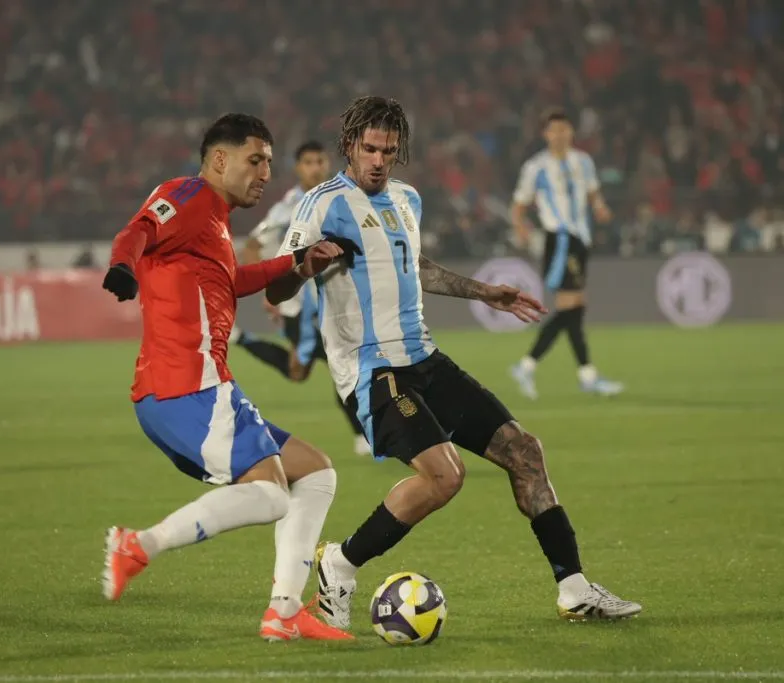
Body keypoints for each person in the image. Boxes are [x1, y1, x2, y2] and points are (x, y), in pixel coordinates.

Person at [266, 96, 642, 625]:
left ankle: (575, 589)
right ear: (350, 146)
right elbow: (277, 288)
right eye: (368, 149)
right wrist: (304, 266)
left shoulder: (406, 200)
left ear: (399, 153)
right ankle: (342, 563)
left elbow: (414, 266)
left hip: (424, 358)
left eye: (388, 151)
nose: (377, 160)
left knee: (525, 452)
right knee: (445, 476)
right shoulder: (322, 204)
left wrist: (484, 292)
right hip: (375, 370)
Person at [100, 113, 359, 642]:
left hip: (203, 387)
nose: (265, 172)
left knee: (315, 474)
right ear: (220, 159)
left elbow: (232, 280)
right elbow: (139, 229)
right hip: (183, 386)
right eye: (255, 159)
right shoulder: (190, 195)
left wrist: (297, 263)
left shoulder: (214, 221)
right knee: (271, 496)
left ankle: (284, 611)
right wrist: (122, 265)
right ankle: (139, 546)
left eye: (268, 161)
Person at [235, 140, 370, 456]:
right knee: (343, 365)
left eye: (320, 161)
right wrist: (269, 287)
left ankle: (240, 338)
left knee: (301, 371)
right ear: (298, 168)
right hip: (303, 306)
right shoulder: (290, 207)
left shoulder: (343, 198)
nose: (316, 168)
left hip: (338, 300)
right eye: (308, 162)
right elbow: (254, 244)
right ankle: (363, 436)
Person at [510, 108, 623, 400]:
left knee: (574, 309)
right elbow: (519, 204)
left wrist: (599, 207)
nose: (560, 135)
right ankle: (536, 366)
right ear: (546, 134)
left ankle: (580, 373)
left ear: (571, 132)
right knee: (571, 308)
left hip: (580, 238)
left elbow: (593, 192)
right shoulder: (536, 167)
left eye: (564, 129)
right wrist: (521, 227)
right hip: (560, 240)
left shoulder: (583, 162)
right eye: (554, 130)